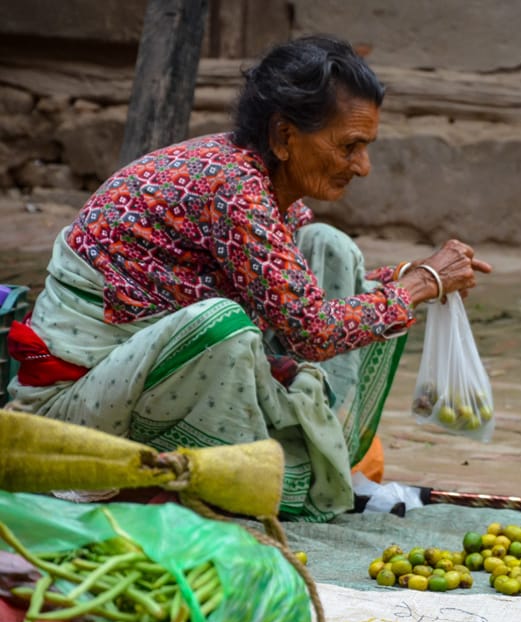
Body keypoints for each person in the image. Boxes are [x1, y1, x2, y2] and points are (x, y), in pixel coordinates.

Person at [4, 35, 491, 521]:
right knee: (225, 325)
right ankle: (236, 477)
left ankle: (289, 451)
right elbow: (310, 328)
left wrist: (410, 277)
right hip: (78, 409)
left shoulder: (261, 183)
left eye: (366, 147)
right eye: (350, 147)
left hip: (140, 374)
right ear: (283, 136)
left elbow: (291, 285)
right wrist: (422, 282)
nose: (362, 167)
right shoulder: (234, 188)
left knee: (329, 249)